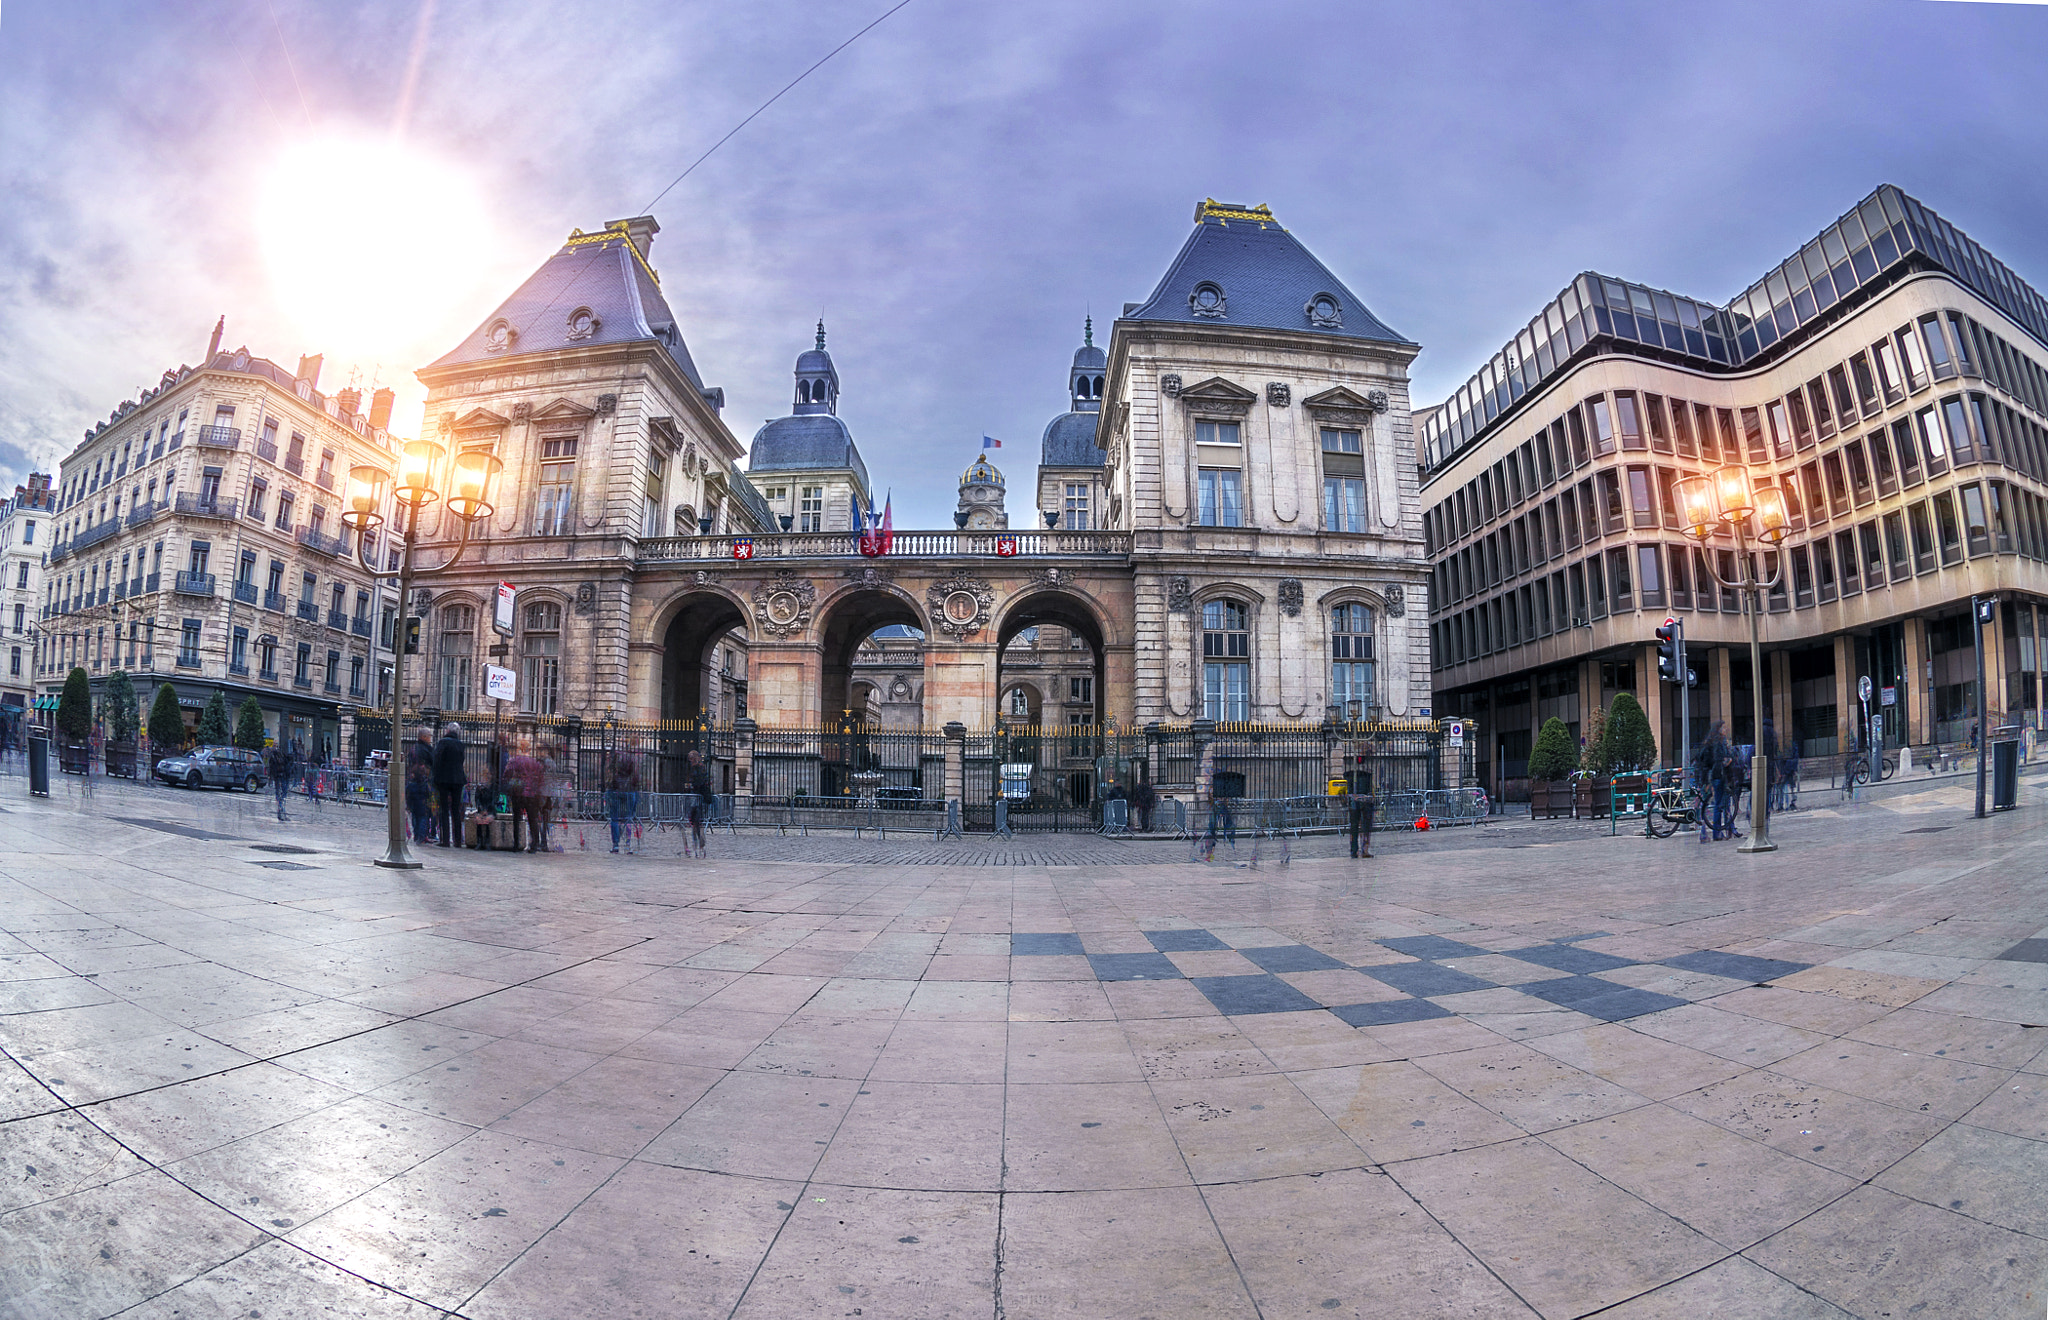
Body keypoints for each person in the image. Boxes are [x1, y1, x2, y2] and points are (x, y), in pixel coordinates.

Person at [505, 739, 545, 853]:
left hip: (518, 792)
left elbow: (506, 774)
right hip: (532, 794)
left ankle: (516, 845)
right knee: (532, 819)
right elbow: (541, 778)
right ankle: (534, 845)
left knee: (516, 819)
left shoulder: (514, 761)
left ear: (519, 748)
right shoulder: (535, 763)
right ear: (529, 749)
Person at [431, 723, 468, 848]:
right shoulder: (460, 744)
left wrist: (435, 777)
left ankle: (445, 839)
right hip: (458, 779)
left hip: (444, 779)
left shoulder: (443, 742)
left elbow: (437, 760)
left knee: (444, 809)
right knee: (456, 810)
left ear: (447, 730)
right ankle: (457, 840)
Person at [606, 752, 640, 853]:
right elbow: (636, 777)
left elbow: (609, 776)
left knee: (615, 819)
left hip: (616, 790)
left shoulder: (614, 765)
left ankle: (616, 845)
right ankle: (627, 843)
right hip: (629, 790)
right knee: (628, 819)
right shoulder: (632, 762)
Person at [684, 750, 714, 857]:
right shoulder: (700, 767)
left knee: (697, 823)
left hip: (698, 798)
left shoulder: (698, 768)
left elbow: (700, 782)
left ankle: (699, 846)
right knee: (695, 824)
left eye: (691, 759)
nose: (690, 762)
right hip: (698, 798)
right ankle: (698, 847)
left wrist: (691, 785)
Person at [266, 741, 294, 822]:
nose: (276, 747)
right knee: (279, 793)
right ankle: (281, 810)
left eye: (277, 746)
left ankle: (281, 809)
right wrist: (271, 777)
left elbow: (286, 763)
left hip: (282, 776)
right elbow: (272, 768)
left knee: (283, 793)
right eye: (275, 746)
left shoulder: (281, 755)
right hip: (278, 777)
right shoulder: (273, 757)